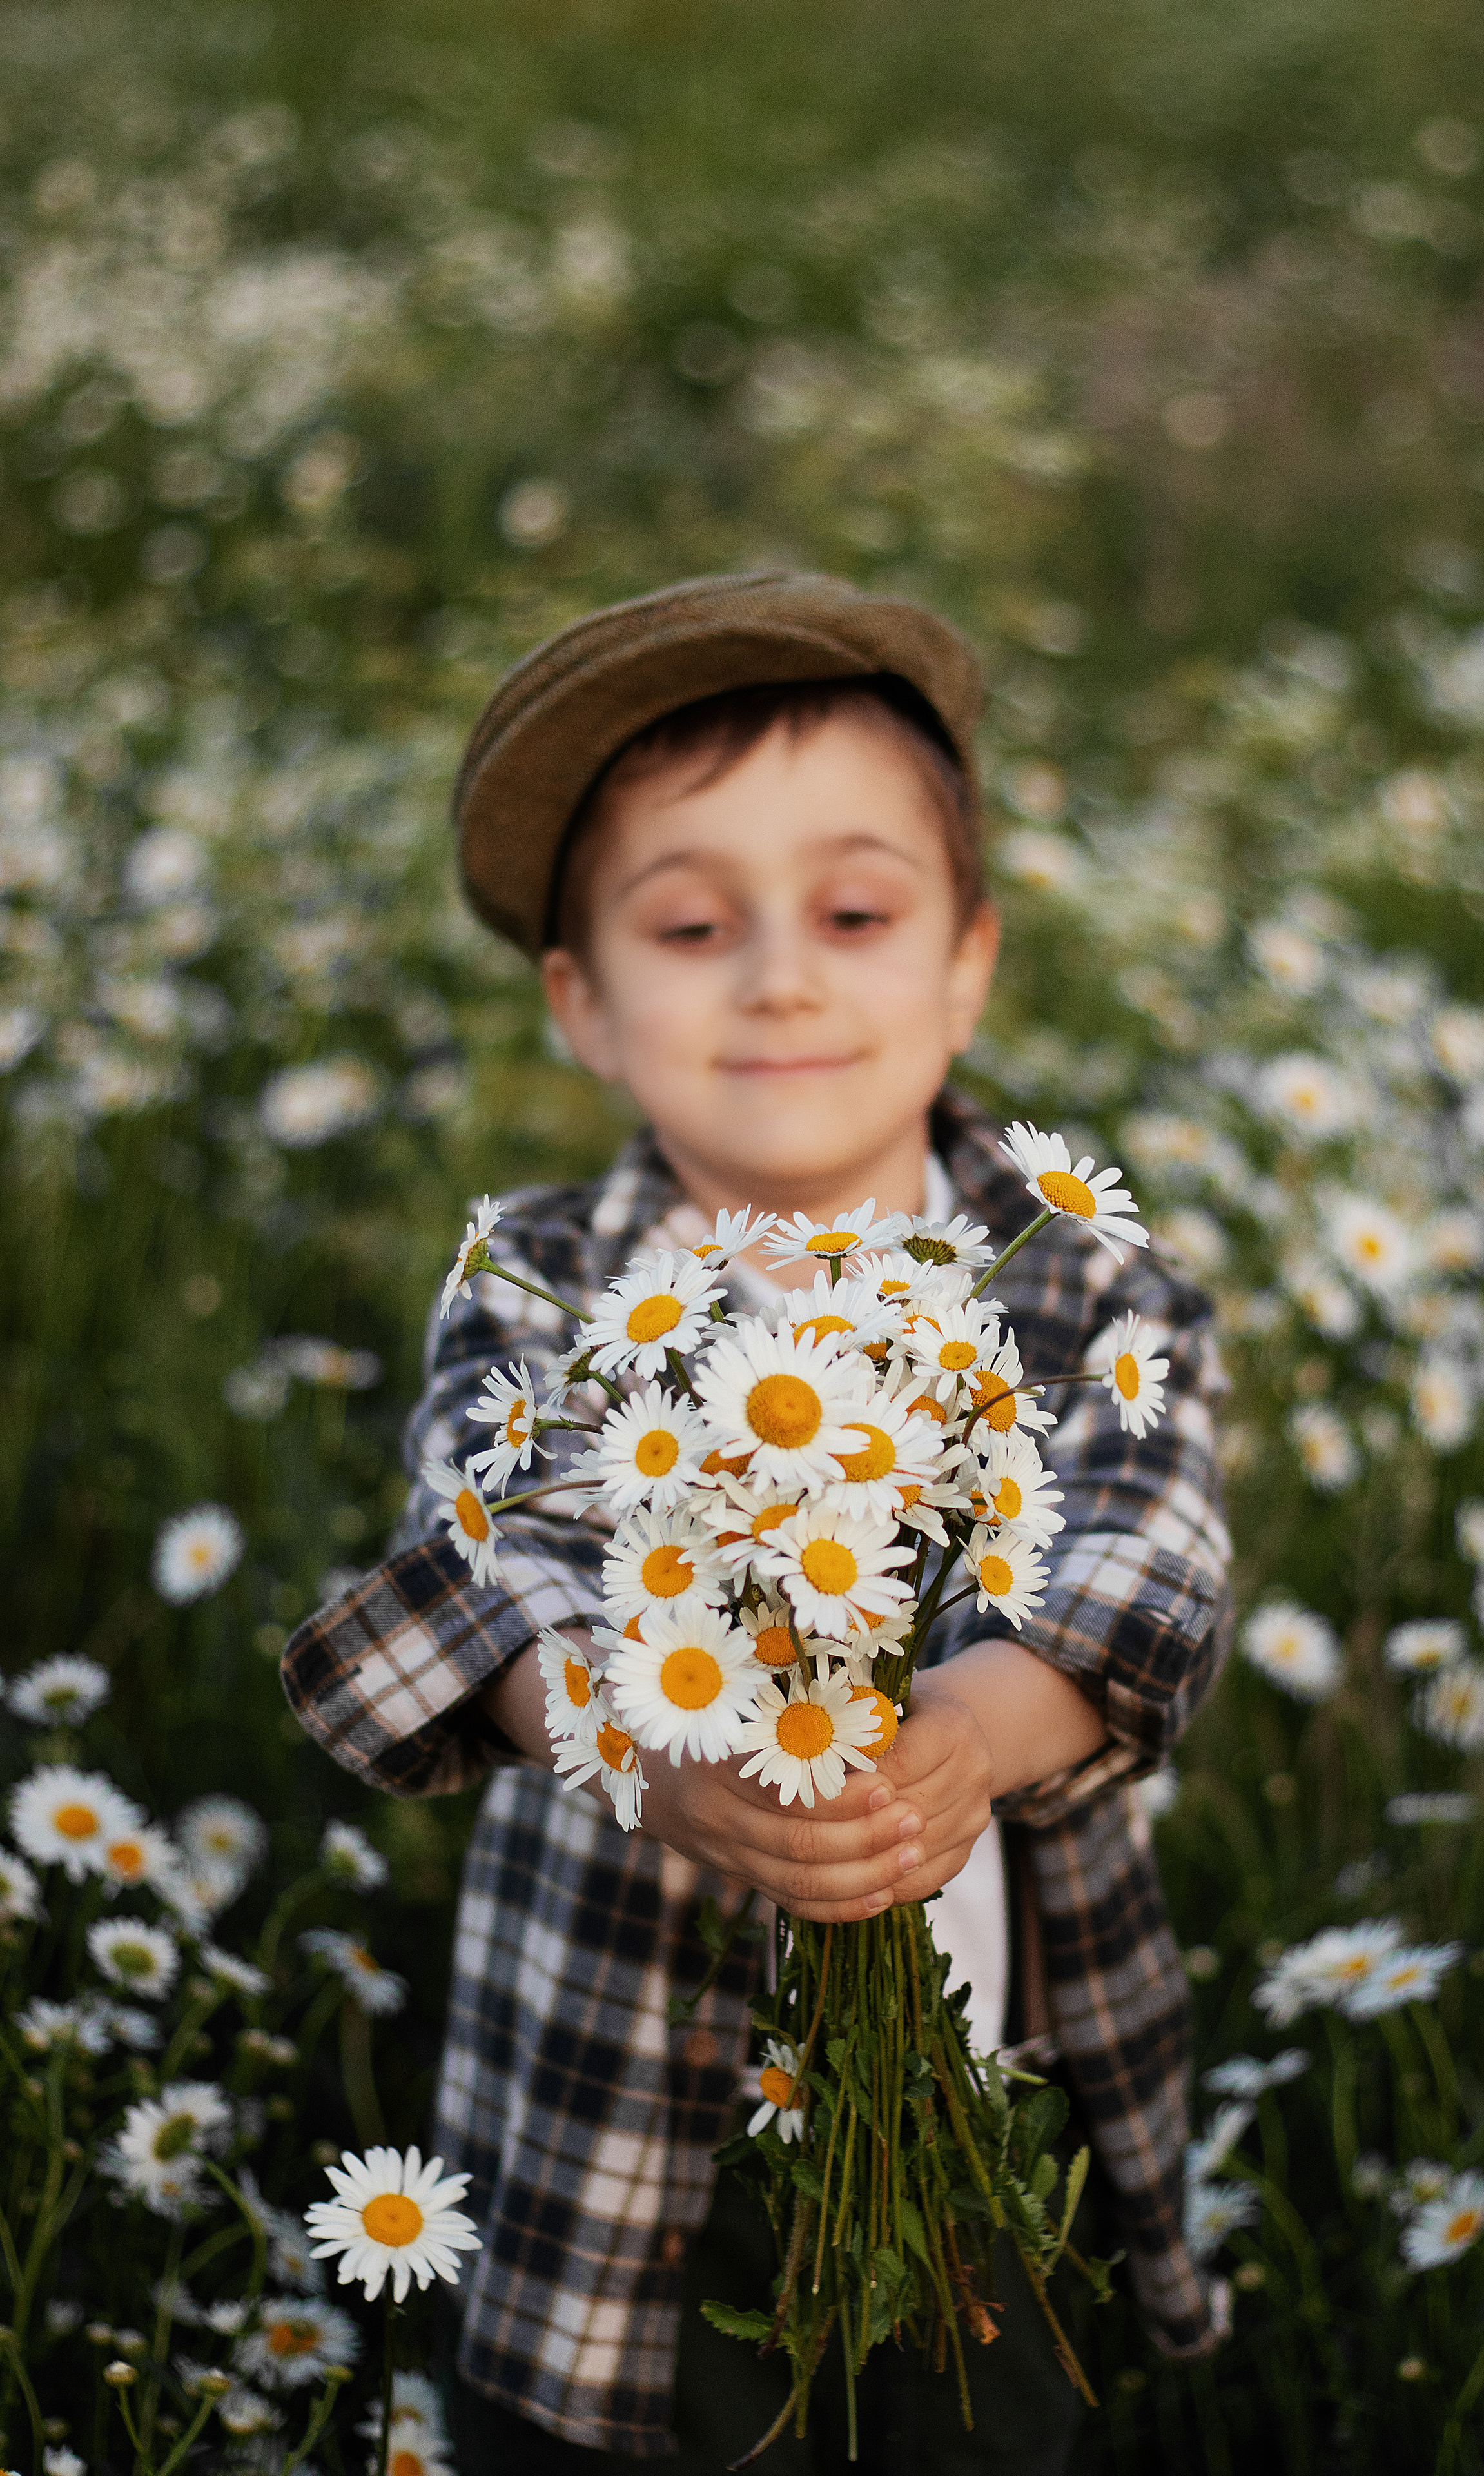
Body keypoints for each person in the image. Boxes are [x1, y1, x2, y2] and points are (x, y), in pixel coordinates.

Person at [282, 571, 1233, 2472]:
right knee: (639, 2426)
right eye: (694, 925)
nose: (779, 976)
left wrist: (966, 1738)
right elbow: (493, 1590)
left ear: (968, 961)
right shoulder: (553, 1291)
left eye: (857, 914)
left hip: (981, 2086)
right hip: (621, 2116)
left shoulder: (1086, 1294)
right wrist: (651, 1754)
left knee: (988, 2418)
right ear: (585, 1005)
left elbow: (1148, 1563)